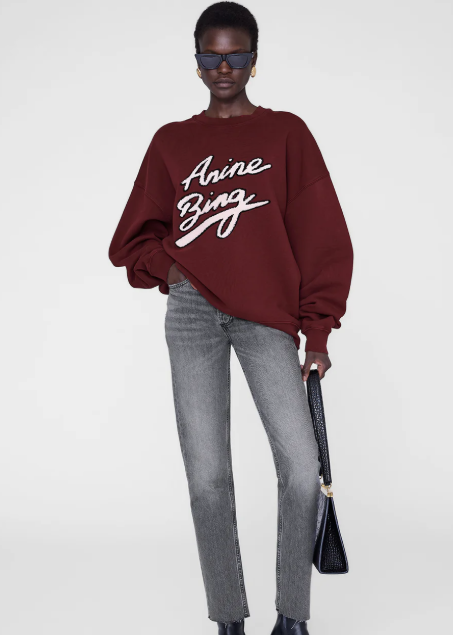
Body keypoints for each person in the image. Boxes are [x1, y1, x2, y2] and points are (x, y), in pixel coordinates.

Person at [108, 2, 353, 634]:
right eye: (211, 56)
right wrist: (173, 271)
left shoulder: (286, 134)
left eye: (236, 55)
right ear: (196, 62)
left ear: (254, 60)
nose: (224, 67)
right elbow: (132, 238)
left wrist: (318, 330)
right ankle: (229, 621)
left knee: (300, 469)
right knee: (208, 477)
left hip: (266, 316)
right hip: (192, 315)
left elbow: (323, 236)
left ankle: (292, 617)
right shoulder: (172, 142)